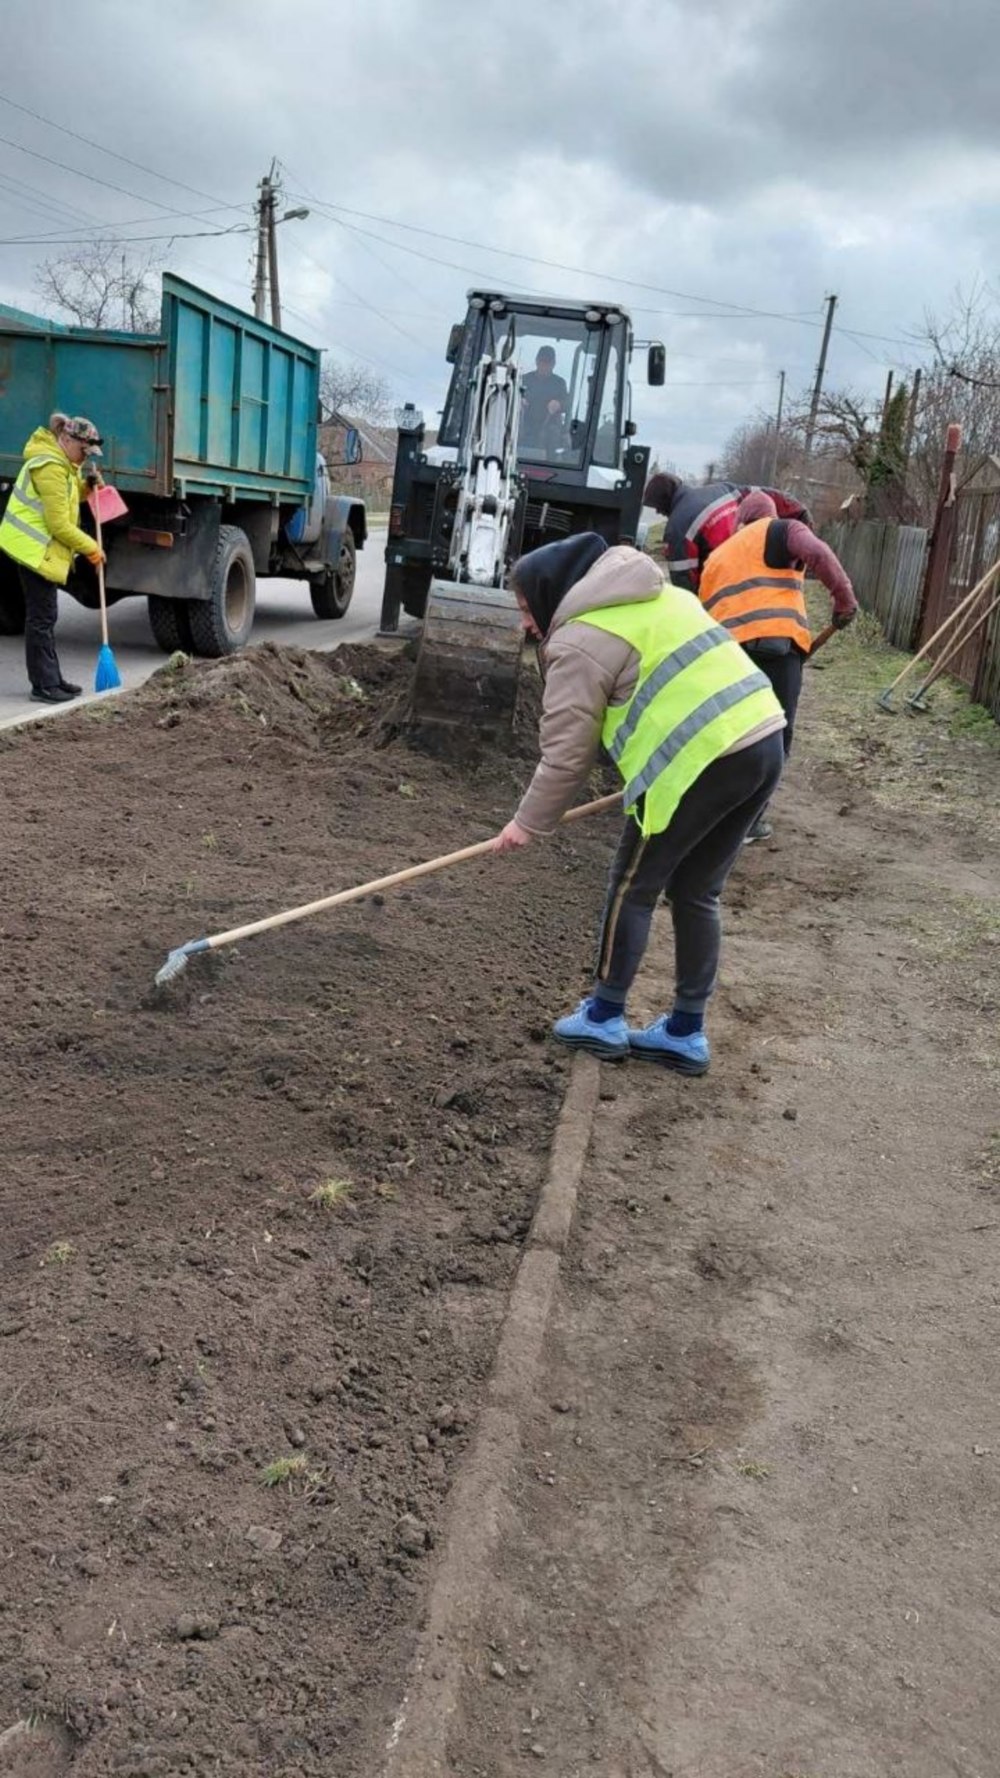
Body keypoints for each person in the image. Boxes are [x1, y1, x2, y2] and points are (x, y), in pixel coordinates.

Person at [491, 532, 786, 1074]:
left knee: (633, 883)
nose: (526, 625)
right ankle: (685, 1030)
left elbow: (565, 757)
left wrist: (526, 824)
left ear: (553, 593)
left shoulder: (579, 640)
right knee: (698, 891)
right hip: (762, 740)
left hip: (701, 761)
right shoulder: (659, 595)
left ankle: (604, 1014)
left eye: (527, 610)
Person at [699, 491, 858, 841]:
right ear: (767, 515)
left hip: (728, 656)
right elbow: (818, 553)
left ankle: (713, 814)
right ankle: (748, 822)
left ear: (740, 522)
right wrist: (844, 599)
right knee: (774, 736)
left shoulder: (718, 556)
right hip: (776, 649)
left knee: (734, 734)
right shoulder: (781, 530)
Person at [0, 411, 105, 703]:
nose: (85, 458)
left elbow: (65, 499)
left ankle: (53, 679)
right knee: (41, 618)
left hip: (38, 548)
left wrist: (86, 487)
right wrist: (92, 549)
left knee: (45, 616)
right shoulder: (51, 467)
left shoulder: (62, 463)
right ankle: (44, 686)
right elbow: (59, 524)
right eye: (84, 451)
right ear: (67, 440)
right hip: (32, 549)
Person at [644, 471, 811, 593]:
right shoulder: (723, 489)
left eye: (658, 508)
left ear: (664, 502)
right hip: (764, 571)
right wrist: (801, 513)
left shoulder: (677, 528)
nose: (658, 513)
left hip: (726, 587)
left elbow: (685, 583)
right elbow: (767, 495)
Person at [519, 346, 568, 449]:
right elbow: (514, 397)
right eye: (542, 362)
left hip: (549, 430)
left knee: (553, 434)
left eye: (548, 363)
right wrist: (519, 401)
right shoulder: (525, 379)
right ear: (536, 361)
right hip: (526, 425)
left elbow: (567, 404)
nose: (544, 366)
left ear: (553, 364)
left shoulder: (559, 383)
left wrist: (558, 404)